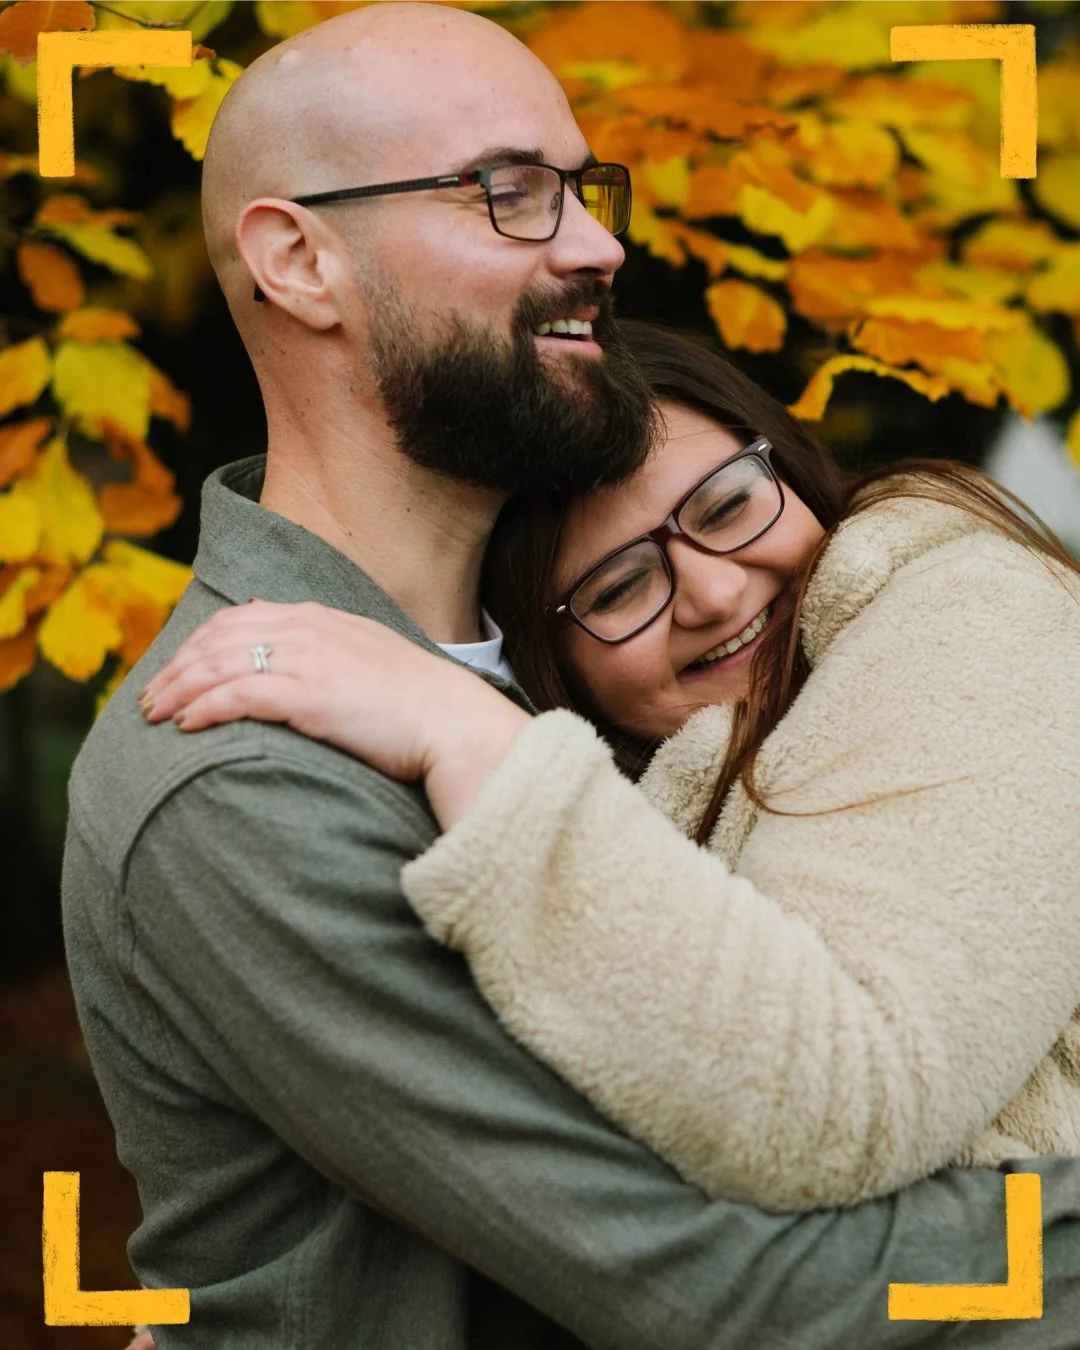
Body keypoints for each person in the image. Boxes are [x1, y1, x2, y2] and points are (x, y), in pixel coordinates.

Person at [63, 4, 1080, 1347]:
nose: (600, 244)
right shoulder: (245, 768)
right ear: (298, 259)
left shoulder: (558, 682)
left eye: (587, 192)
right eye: (511, 194)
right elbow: (730, 1284)